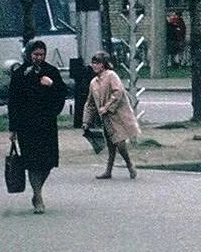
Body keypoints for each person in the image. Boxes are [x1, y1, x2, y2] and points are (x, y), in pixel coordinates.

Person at [7, 40, 67, 214]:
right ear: (29, 54)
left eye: (41, 55)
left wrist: (52, 85)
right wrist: (13, 128)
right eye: (35, 55)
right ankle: (38, 195)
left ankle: (37, 189)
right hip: (27, 125)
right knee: (33, 162)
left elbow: (63, 93)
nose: (38, 58)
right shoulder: (20, 74)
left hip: (46, 123)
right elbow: (13, 101)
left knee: (48, 161)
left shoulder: (51, 71)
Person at [81, 52, 140, 180]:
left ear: (104, 65)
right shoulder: (93, 82)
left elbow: (118, 92)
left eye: (98, 63)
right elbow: (90, 103)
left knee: (119, 143)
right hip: (106, 118)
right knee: (110, 145)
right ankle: (108, 170)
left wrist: (107, 107)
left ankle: (129, 164)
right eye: (94, 63)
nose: (95, 66)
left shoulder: (111, 76)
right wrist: (86, 121)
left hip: (118, 116)